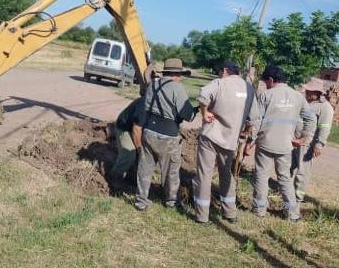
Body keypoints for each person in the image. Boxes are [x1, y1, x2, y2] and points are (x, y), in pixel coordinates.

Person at [245, 66, 316, 222]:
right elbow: (312, 119)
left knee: (261, 176)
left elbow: (256, 122)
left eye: (266, 81)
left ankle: (260, 210)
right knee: (284, 178)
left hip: (265, 144)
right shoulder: (298, 97)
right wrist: (304, 139)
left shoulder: (266, 95)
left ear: (271, 80)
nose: (266, 84)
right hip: (285, 146)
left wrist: (249, 142)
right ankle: (293, 214)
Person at [193, 61, 261, 224]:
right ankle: (230, 213)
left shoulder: (219, 83)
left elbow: (203, 96)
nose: (218, 74)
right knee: (226, 175)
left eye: (219, 71)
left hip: (210, 136)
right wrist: (244, 134)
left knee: (204, 174)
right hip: (230, 141)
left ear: (225, 71)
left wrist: (205, 113)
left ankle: (202, 216)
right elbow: (253, 119)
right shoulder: (249, 89)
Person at [134, 58, 196, 210]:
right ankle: (171, 201)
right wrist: (196, 110)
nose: (181, 78)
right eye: (180, 74)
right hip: (168, 135)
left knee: (145, 168)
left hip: (148, 131)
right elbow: (188, 115)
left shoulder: (153, 85)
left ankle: (141, 201)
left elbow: (147, 107)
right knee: (171, 171)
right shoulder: (177, 88)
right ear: (176, 74)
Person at [292, 77, 334, 202]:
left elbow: (325, 127)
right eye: (307, 91)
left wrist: (319, 144)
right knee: (288, 166)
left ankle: (297, 196)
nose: (308, 93)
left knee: (302, 170)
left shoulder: (325, 108)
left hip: (307, 144)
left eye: (311, 91)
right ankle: (286, 190)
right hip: (293, 139)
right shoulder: (303, 101)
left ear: (318, 92)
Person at [110, 97, 142, 183]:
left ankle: (133, 177)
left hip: (138, 129)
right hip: (124, 128)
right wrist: (139, 149)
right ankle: (114, 179)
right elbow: (136, 130)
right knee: (129, 153)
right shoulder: (144, 104)